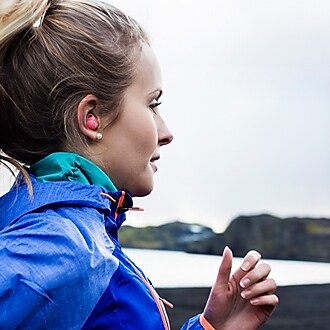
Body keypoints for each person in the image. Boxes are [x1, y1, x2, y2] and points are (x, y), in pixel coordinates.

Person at [0, 0, 278, 329]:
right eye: (153, 104)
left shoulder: (66, 234)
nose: (166, 133)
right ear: (92, 118)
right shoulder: (64, 248)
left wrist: (211, 326)